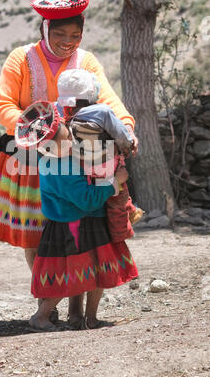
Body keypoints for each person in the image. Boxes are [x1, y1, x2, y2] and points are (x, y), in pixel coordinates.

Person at [0, 0, 138, 324]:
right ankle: (50, 304)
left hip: (77, 162)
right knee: (40, 235)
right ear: (44, 29)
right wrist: (38, 130)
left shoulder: (87, 62)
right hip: (30, 158)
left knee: (76, 232)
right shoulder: (20, 59)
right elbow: (4, 104)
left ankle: (71, 308)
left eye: (75, 35)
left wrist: (126, 127)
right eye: (60, 34)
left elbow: (108, 100)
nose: (68, 42)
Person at [15, 101, 139, 331]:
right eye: (50, 144)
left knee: (97, 269)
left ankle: (88, 318)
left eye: (61, 137)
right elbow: (86, 198)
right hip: (71, 225)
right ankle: (41, 317)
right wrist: (114, 183)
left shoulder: (69, 153)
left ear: (65, 127)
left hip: (87, 220)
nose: (59, 144)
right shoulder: (59, 167)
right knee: (69, 275)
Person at [56, 68, 144, 244]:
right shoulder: (102, 111)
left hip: (84, 170)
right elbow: (121, 135)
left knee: (108, 195)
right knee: (118, 197)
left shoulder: (62, 115)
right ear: (91, 92)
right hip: (108, 166)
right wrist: (128, 144)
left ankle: (131, 210)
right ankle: (120, 233)